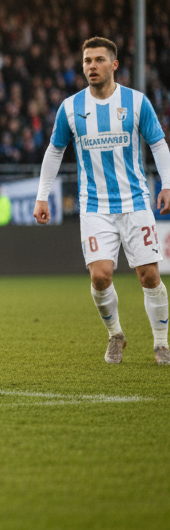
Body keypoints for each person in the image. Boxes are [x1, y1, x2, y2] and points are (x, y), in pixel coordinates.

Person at [34, 36, 170, 366]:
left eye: (98, 60)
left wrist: (167, 185)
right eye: (87, 61)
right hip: (94, 207)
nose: (91, 66)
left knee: (149, 275)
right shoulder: (71, 107)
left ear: (114, 65)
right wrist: (42, 196)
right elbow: (55, 151)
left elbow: (159, 144)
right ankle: (115, 335)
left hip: (136, 202)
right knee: (100, 276)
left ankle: (161, 343)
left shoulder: (137, 103)